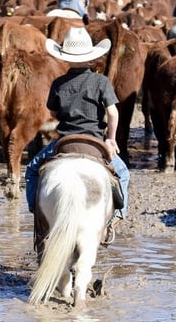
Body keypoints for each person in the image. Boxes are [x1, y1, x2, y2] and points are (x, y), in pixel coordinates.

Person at [25, 26, 129, 243]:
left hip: (64, 141)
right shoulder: (101, 82)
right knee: (123, 173)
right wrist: (111, 139)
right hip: (95, 141)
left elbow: (53, 112)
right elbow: (113, 112)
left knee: (33, 169)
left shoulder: (59, 83)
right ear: (91, 56)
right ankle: (114, 219)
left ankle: (37, 209)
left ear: (66, 58)